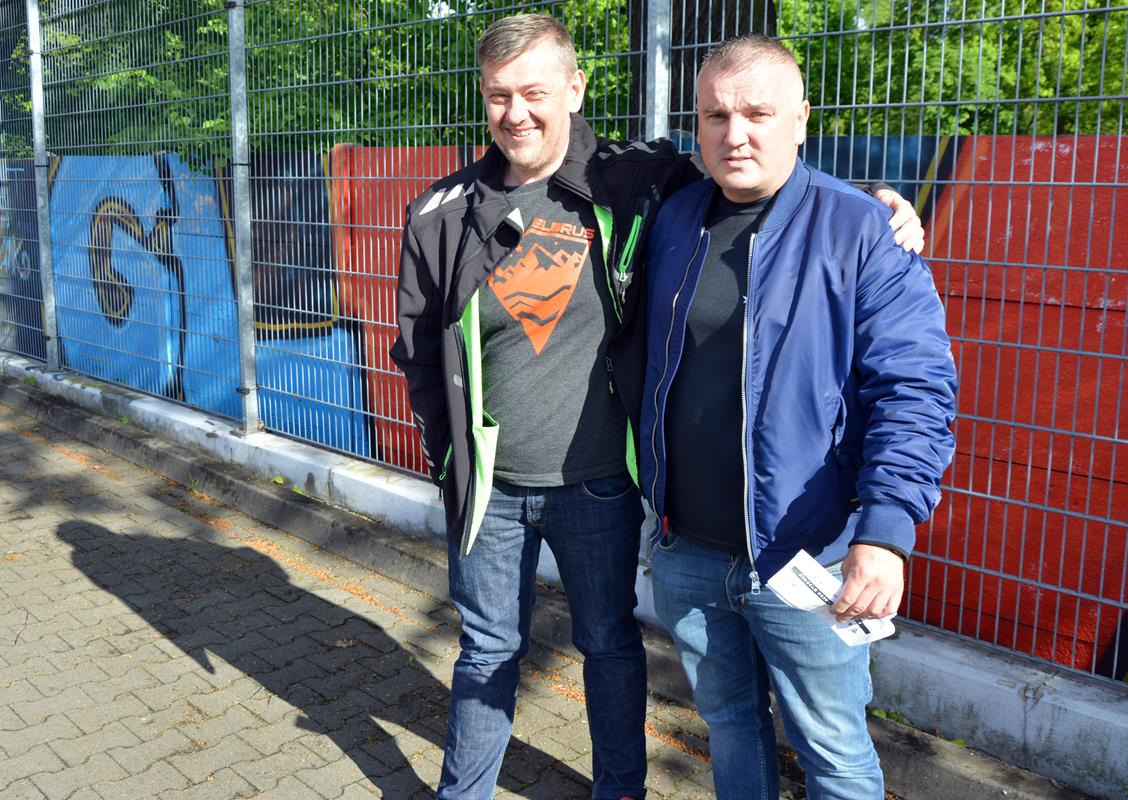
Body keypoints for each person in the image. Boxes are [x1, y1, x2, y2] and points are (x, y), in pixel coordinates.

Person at [390, 15, 924, 800]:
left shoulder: (639, 182)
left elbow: (767, 173)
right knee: (498, 654)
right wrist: (452, 464)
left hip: (651, 501)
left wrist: (877, 205)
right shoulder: (458, 213)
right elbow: (419, 356)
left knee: (628, 654)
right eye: (498, 95)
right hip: (542, 507)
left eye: (535, 92)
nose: (516, 112)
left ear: (575, 89)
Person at [639, 34, 957, 800]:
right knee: (730, 727)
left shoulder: (861, 229)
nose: (735, 133)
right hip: (689, 552)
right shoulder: (675, 218)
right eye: (715, 115)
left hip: (808, 555)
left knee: (834, 753)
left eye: (758, 113)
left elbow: (915, 389)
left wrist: (885, 533)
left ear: (802, 119)